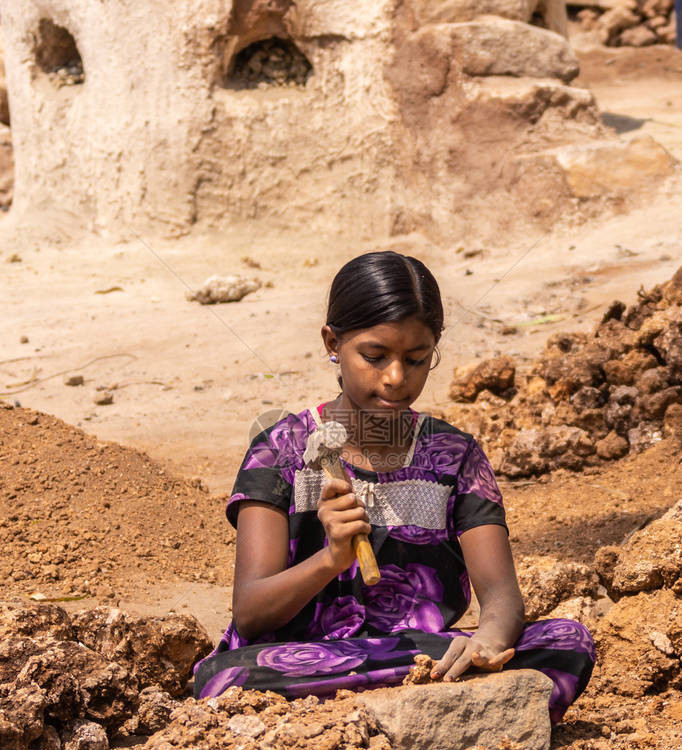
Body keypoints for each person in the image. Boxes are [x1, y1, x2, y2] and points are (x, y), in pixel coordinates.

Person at [194, 251, 595, 721]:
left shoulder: (455, 457)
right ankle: (432, 715)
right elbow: (251, 613)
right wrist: (331, 559)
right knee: (229, 677)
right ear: (332, 342)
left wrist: (488, 641)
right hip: (303, 661)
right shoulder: (279, 451)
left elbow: (502, 595)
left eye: (417, 359)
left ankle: (367, 717)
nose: (396, 379)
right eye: (375, 356)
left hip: (423, 660)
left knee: (567, 640)